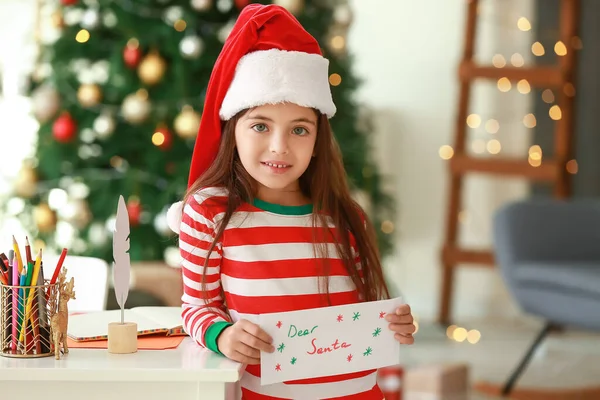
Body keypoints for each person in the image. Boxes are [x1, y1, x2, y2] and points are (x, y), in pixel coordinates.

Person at [167, 4, 415, 399]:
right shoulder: (210, 213)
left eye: (299, 129)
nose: (279, 147)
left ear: (318, 140)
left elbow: (361, 314)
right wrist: (223, 335)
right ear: (234, 131)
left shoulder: (347, 217)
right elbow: (197, 308)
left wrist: (394, 323)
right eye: (260, 125)